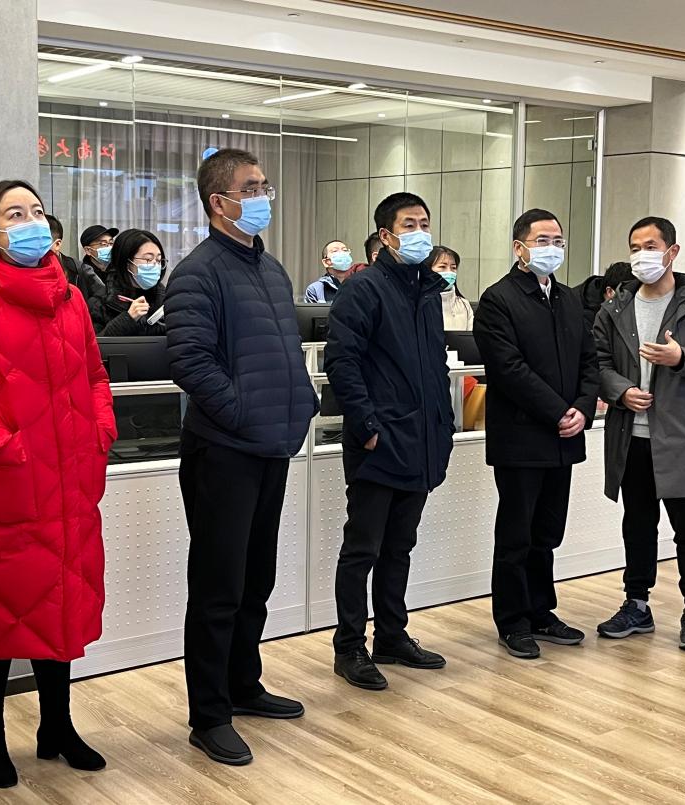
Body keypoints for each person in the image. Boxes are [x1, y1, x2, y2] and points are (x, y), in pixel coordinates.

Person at [0, 180, 116, 789]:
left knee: (60, 607)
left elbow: (94, 375)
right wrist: (7, 444)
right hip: (8, 491)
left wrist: (100, 429)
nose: (31, 221)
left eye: (36, 210)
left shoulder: (72, 300)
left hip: (72, 486)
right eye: (15, 213)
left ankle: (56, 726)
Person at [165, 149, 318, 765]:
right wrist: (242, 414)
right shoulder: (197, 273)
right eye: (250, 188)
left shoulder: (271, 270)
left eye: (264, 186)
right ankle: (209, 715)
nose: (262, 197)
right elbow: (190, 362)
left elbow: (283, 351)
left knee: (257, 577)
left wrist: (301, 403)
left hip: (271, 445)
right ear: (218, 202)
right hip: (224, 450)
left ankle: (243, 683)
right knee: (218, 586)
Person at [325, 192, 454, 691]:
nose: (420, 232)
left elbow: (434, 365)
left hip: (421, 438)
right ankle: (349, 647)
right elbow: (343, 363)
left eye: (425, 223)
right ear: (386, 235)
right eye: (409, 224)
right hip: (379, 441)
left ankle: (392, 635)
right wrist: (367, 426)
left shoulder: (428, 291)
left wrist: (442, 424)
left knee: (400, 545)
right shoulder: (364, 289)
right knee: (363, 548)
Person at [593, 216, 685, 652]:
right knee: (637, 526)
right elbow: (597, 363)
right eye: (635, 247)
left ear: (672, 252)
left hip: (680, 438)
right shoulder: (615, 308)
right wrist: (621, 391)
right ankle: (637, 603)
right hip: (630, 438)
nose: (642, 256)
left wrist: (680, 358)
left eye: (651, 247)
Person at [473, 209, 600, 659]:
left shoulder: (568, 299)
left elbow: (590, 360)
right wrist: (558, 411)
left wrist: (583, 408)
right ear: (519, 247)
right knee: (516, 535)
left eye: (558, 241)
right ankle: (512, 620)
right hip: (522, 437)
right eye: (543, 240)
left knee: (547, 532)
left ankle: (541, 611)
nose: (553, 248)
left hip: (565, 436)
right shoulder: (498, 300)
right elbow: (508, 369)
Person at [89, 228, 168, 337]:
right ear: (127, 262)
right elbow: (94, 344)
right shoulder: (99, 304)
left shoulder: (166, 298)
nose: (155, 266)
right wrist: (128, 319)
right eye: (148, 260)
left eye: (159, 260)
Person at [48, 214, 105, 302]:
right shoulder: (28, 267)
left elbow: (102, 295)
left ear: (57, 244)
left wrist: (83, 307)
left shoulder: (78, 268)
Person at [428, 245, 474, 330]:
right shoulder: (419, 304)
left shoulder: (464, 305)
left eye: (453, 268)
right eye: (442, 267)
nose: (449, 272)